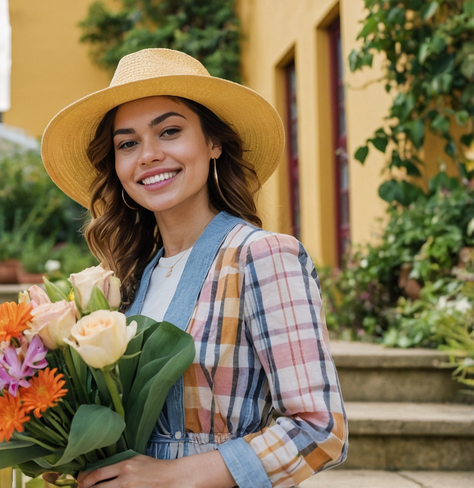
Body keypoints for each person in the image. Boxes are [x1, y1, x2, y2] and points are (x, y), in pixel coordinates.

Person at [41, 48, 347, 488]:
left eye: (168, 131)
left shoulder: (262, 257)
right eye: (127, 143)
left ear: (213, 143)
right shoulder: (130, 279)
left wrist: (171, 475)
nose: (147, 155)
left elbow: (320, 429)